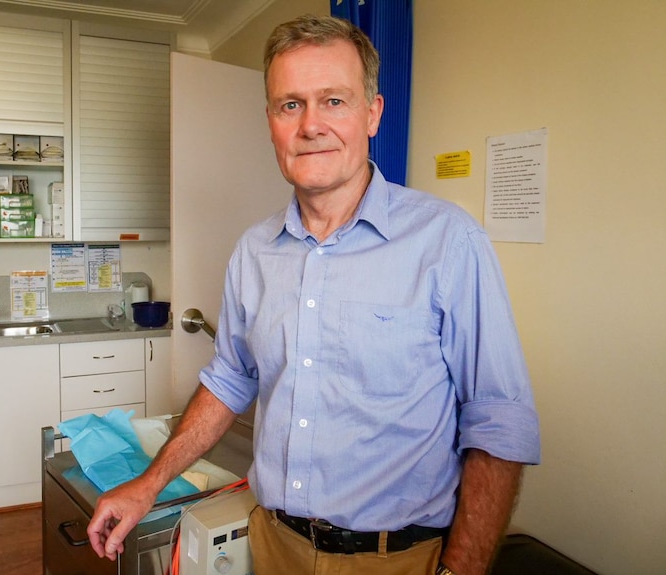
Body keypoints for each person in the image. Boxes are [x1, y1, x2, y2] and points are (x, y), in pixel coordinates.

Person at [87, 14, 540, 575]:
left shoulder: (448, 241)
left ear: (372, 114)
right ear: (271, 122)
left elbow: (498, 420)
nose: (311, 125)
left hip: (397, 559)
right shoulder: (254, 252)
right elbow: (230, 379)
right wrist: (148, 485)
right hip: (275, 544)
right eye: (290, 104)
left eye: (334, 101)